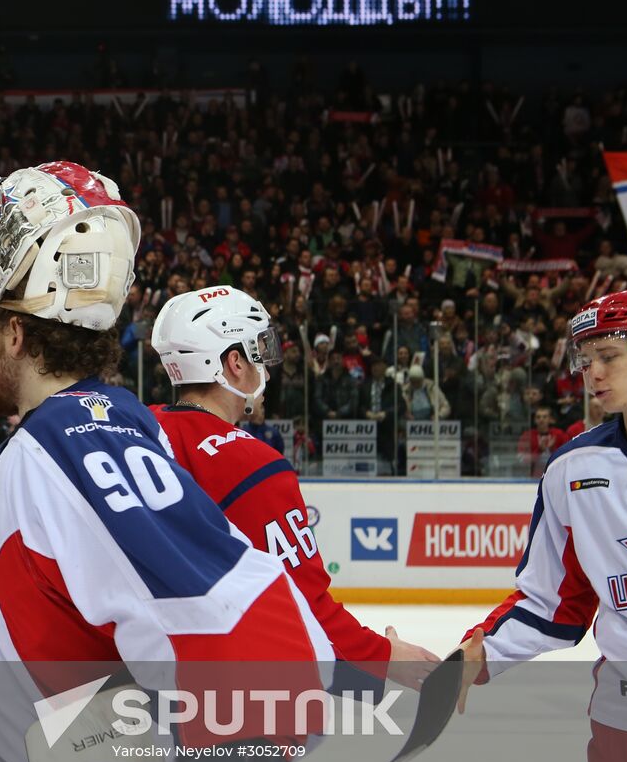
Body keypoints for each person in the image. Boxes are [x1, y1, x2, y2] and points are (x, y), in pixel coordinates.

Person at [0, 162, 327, 762]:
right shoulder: (35, 450)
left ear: (20, 337)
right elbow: (9, 672)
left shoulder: (74, 444)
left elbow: (259, 644)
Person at [149, 285, 439, 691]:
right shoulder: (254, 464)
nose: (266, 369)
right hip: (218, 688)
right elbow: (304, 603)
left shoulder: (133, 432)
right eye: (258, 352)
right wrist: (384, 658)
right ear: (233, 362)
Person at [457, 289, 627, 762]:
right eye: (584, 359)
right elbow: (553, 604)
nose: (592, 372)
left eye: (608, 355)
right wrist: (477, 653)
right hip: (625, 717)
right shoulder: (574, 468)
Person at [516, 406, 570, 478]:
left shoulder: (559, 434)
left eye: (544, 417)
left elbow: (567, 457)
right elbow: (521, 459)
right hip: (533, 479)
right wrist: (539, 450)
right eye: (538, 417)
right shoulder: (527, 436)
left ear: (550, 419)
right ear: (535, 420)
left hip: (556, 476)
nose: (541, 419)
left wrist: (552, 449)